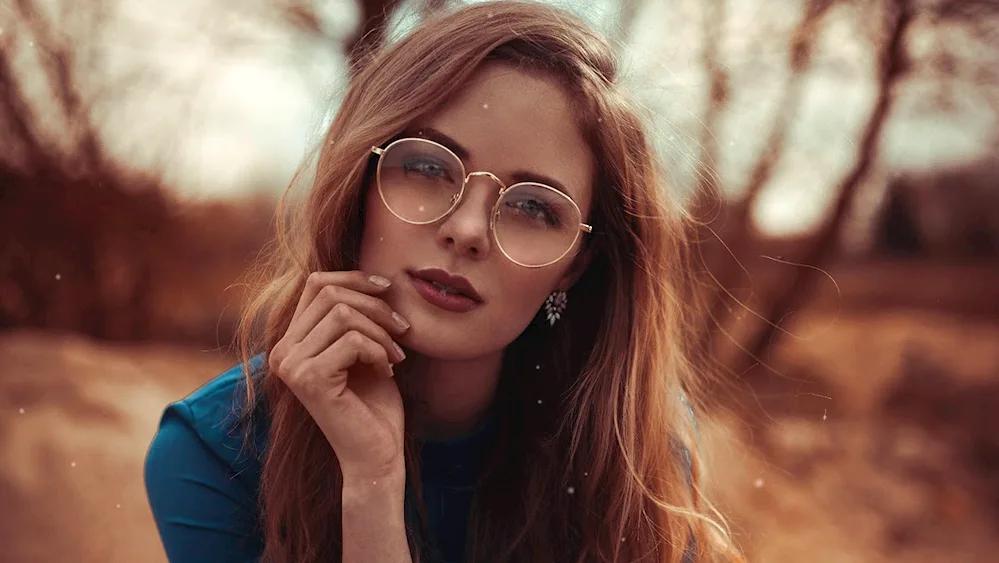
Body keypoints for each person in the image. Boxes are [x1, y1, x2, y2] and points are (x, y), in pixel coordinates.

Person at [143, 2, 742, 562]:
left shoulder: (632, 446)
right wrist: (372, 484)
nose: (466, 230)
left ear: (575, 265)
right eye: (428, 167)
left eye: (535, 208)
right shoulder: (214, 454)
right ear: (360, 184)